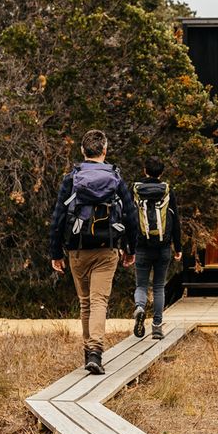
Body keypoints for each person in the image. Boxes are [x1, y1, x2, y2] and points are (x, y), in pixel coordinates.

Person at [49, 129, 137, 374]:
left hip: (77, 249)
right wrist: (131, 248)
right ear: (105, 150)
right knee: (100, 301)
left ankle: (89, 352)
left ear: (82, 151)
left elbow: (57, 217)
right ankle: (95, 353)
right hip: (107, 248)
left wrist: (55, 252)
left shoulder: (72, 179)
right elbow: (131, 216)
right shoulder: (116, 178)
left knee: (85, 302)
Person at [131, 156, 182, 340]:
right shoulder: (167, 190)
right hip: (163, 247)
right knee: (159, 286)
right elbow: (175, 220)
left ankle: (139, 306)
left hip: (141, 246)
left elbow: (130, 219)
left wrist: (128, 247)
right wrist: (178, 247)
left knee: (141, 285)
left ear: (145, 170)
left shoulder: (136, 190)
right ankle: (157, 327)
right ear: (161, 173)